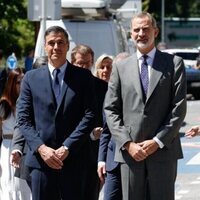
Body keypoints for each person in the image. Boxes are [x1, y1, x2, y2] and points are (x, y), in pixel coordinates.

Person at [104, 12, 187, 200]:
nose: (141, 33)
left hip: (163, 153)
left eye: (145, 29)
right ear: (131, 35)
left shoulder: (174, 64)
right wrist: (127, 143)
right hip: (130, 154)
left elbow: (179, 109)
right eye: (136, 30)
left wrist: (157, 141)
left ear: (155, 31)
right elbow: (111, 109)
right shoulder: (120, 67)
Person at [16, 26, 96, 200]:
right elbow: (23, 119)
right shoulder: (31, 78)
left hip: (75, 159)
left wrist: (67, 147)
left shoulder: (83, 77)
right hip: (41, 161)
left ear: (67, 46)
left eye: (60, 42)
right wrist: (42, 148)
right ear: (45, 46)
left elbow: (90, 115)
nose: (56, 47)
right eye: (51, 43)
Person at [71, 44, 108, 200]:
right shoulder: (65, 86)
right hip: (69, 153)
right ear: (72, 63)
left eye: (88, 63)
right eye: (81, 63)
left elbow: (107, 118)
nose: (85, 67)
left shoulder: (102, 87)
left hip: (93, 154)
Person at [97, 52, 130, 200]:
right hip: (112, 162)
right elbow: (106, 131)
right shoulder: (110, 93)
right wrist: (101, 160)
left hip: (134, 160)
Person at [0, 67, 31, 200]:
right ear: (12, 84)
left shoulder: (28, 102)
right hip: (8, 147)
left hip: (24, 147)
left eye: (24, 81)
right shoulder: (4, 105)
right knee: (10, 183)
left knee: (23, 185)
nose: (22, 85)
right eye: (19, 82)